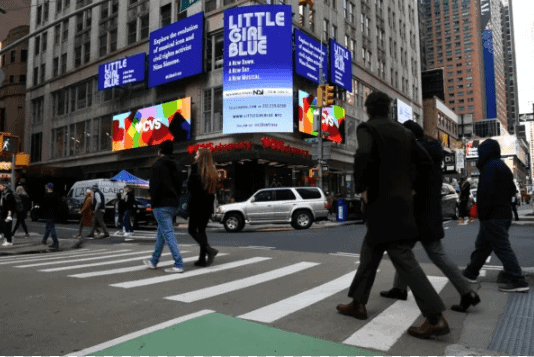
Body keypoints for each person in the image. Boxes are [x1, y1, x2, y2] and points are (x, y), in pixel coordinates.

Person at [336, 91, 450, 339]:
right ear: (388, 109)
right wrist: (412, 187)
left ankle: (435, 317)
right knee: (369, 253)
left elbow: (363, 155)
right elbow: (426, 162)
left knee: (403, 259)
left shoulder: (367, 129)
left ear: (367, 109)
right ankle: (357, 303)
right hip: (401, 205)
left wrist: (361, 188)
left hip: (379, 204)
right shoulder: (405, 132)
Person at [380, 120, 481, 313]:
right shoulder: (430, 152)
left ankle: (467, 292)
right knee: (405, 251)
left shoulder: (416, 154)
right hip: (428, 212)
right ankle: (399, 288)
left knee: (431, 254)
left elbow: (410, 183)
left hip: (419, 214)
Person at [462, 139, 529, 293]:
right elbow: (512, 190)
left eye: (481, 152)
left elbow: (486, 193)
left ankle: (518, 281)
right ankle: (470, 273)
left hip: (493, 216)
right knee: (483, 247)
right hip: (502, 213)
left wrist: (483, 213)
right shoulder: (501, 166)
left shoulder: (490, 167)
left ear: (486, 152)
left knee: (502, 249)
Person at [143, 140, 186, 273]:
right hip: (173, 204)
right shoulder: (176, 165)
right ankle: (153, 261)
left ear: (160, 151)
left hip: (161, 204)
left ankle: (178, 264)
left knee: (167, 233)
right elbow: (180, 185)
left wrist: (153, 203)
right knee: (162, 234)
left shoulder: (157, 165)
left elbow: (154, 186)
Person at [188, 148, 219, 267]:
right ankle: (202, 259)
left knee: (192, 230)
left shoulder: (196, 169)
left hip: (197, 205)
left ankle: (209, 249)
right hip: (207, 206)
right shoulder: (211, 172)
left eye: (196, 154)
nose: (195, 156)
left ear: (201, 157)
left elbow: (191, 187)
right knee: (201, 231)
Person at [40, 183, 60, 249]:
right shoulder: (55, 195)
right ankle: (44, 240)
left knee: (51, 228)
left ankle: (55, 242)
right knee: (48, 227)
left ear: (47, 188)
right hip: (54, 213)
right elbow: (58, 205)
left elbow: (43, 205)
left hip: (48, 214)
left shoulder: (46, 195)